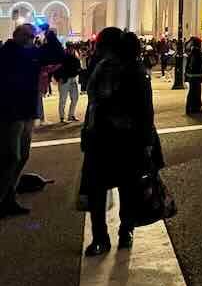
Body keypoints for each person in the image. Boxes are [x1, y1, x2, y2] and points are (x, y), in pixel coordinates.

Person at [79, 29, 163, 256]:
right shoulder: (101, 67)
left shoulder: (135, 70)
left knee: (128, 187)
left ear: (111, 46)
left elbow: (146, 109)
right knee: (96, 189)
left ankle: (126, 229)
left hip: (127, 138)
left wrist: (147, 141)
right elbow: (93, 105)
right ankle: (100, 237)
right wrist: (87, 133)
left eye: (100, 44)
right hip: (100, 137)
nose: (96, 47)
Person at [0, 24, 64, 217]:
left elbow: (57, 54)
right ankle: (3, 198)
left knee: (22, 156)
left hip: (27, 112)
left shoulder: (32, 53)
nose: (33, 40)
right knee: (11, 158)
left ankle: (8, 198)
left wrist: (49, 33)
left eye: (34, 36)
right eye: (30, 36)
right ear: (19, 36)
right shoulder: (7, 53)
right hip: (11, 114)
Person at [54, 42, 82, 123]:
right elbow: (57, 68)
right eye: (70, 48)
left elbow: (78, 67)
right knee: (63, 99)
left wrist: (78, 71)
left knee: (75, 97)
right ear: (67, 48)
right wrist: (59, 78)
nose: (71, 49)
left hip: (73, 79)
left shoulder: (74, 56)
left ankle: (71, 115)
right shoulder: (62, 56)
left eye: (72, 48)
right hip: (64, 79)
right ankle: (62, 117)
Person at [183, 38, 202, 115]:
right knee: (196, 92)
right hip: (196, 76)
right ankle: (195, 108)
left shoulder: (191, 52)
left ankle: (189, 107)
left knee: (192, 91)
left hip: (191, 76)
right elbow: (197, 64)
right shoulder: (197, 52)